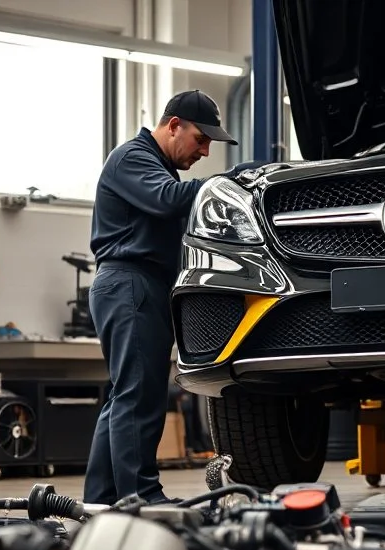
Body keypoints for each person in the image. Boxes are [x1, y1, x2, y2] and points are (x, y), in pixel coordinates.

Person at [84, 89, 240, 505]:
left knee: (125, 397)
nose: (205, 151)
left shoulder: (156, 166)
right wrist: (229, 182)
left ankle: (99, 502)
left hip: (141, 286)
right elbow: (169, 200)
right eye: (201, 139)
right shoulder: (133, 158)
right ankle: (144, 497)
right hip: (130, 283)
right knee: (140, 397)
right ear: (174, 126)